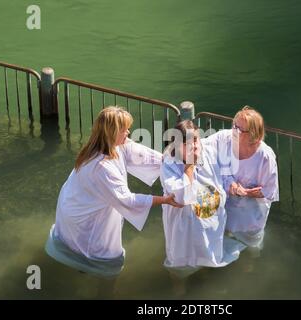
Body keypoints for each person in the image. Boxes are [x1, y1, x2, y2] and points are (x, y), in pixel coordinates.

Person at [45, 106, 182, 279]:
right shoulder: (102, 167)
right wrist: (164, 199)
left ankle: (83, 266)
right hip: (83, 214)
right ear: (112, 133)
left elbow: (141, 154)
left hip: (75, 202)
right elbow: (127, 200)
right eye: (124, 130)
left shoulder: (109, 145)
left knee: (85, 247)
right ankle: (97, 280)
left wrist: (168, 162)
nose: (128, 132)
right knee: (97, 252)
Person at [160, 120, 246, 282]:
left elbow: (225, 139)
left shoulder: (209, 150)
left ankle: (205, 274)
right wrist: (190, 166)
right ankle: (179, 289)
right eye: (187, 143)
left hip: (208, 217)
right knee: (180, 262)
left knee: (207, 252)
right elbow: (181, 197)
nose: (194, 145)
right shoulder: (169, 162)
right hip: (182, 226)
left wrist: (233, 185)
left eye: (196, 139)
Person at [202, 106, 279, 251]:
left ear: (253, 134)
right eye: (234, 126)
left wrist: (246, 192)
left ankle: (251, 262)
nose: (234, 131)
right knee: (222, 235)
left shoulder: (265, 157)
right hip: (227, 205)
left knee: (252, 244)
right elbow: (201, 147)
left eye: (240, 130)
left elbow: (269, 191)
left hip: (250, 214)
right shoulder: (224, 138)